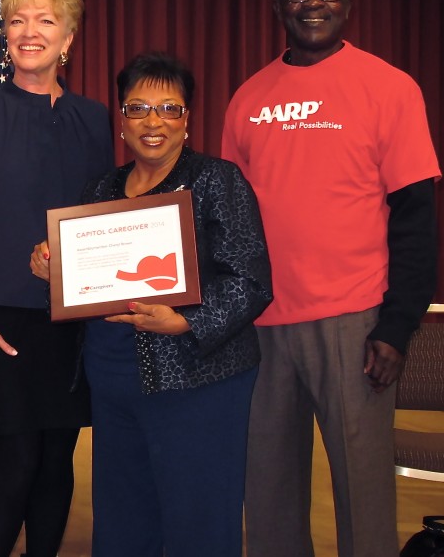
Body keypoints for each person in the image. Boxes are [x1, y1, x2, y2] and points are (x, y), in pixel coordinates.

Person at [222, 0, 441, 557]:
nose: (312, 1)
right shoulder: (248, 99)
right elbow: (231, 222)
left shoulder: (390, 89)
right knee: (266, 496)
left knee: (363, 496)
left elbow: (417, 220)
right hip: (263, 328)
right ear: (276, 7)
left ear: (348, 3)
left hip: (356, 323)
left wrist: (397, 326)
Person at [31, 52, 273, 556]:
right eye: (138, 108)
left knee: (198, 520)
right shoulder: (100, 189)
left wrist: (185, 322)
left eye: (169, 108)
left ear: (187, 120)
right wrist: (53, 271)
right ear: (121, 119)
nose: (153, 122)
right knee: (123, 519)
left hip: (198, 380)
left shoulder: (216, 181)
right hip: (114, 378)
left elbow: (251, 281)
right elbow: (87, 283)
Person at [0, 0, 113, 557]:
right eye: (17, 20)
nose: (29, 31)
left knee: (57, 462)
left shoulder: (94, 120)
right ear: (4, 35)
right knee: (10, 462)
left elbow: (103, 214)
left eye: (46, 20)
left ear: (69, 38)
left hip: (70, 323)